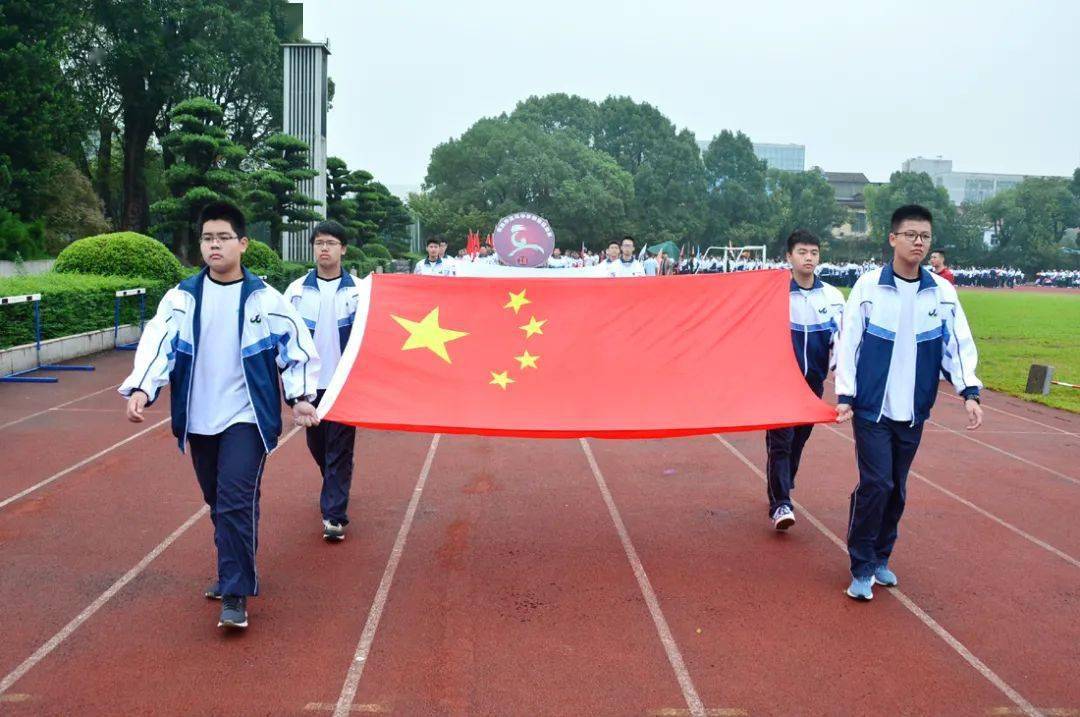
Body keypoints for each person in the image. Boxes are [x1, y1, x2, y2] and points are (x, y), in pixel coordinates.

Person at [120, 201, 320, 630]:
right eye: (208, 238)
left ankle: (235, 592)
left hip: (247, 418)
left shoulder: (265, 299)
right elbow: (158, 343)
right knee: (219, 501)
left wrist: (301, 396)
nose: (215, 245)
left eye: (223, 237)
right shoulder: (182, 298)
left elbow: (297, 347)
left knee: (233, 501)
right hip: (198, 418)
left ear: (243, 244)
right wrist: (143, 387)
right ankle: (235, 566)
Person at [835, 204, 983, 601]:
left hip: (914, 409)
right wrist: (846, 395)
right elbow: (849, 343)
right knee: (877, 484)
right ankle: (861, 566)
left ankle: (881, 556)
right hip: (872, 408)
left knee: (897, 487)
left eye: (925, 237)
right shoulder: (869, 287)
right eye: (911, 235)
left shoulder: (941, 292)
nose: (919, 242)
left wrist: (969, 391)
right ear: (893, 238)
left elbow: (957, 344)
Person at [284, 220, 360, 542]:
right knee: (318, 447)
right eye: (319, 243)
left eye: (330, 243)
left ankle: (334, 516)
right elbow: (284, 338)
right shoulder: (296, 292)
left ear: (343, 249)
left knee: (339, 449)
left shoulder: (359, 291)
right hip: (309, 385)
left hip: (344, 384)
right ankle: (335, 483)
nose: (324, 248)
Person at [765, 229, 845, 530]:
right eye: (802, 252)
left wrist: (842, 378)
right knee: (781, 443)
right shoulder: (776, 295)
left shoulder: (832, 297)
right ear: (789, 256)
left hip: (812, 385)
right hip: (780, 385)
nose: (808, 258)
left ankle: (782, 482)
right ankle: (781, 504)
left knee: (798, 442)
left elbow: (840, 341)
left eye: (813, 252)